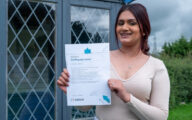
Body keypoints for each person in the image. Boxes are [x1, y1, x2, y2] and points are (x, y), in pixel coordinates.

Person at [57, 3, 170, 120]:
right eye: (120, 23)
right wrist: (72, 90)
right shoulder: (100, 58)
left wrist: (126, 97)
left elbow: (161, 117)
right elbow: (85, 107)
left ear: (144, 30)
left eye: (132, 23)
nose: (124, 28)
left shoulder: (156, 66)